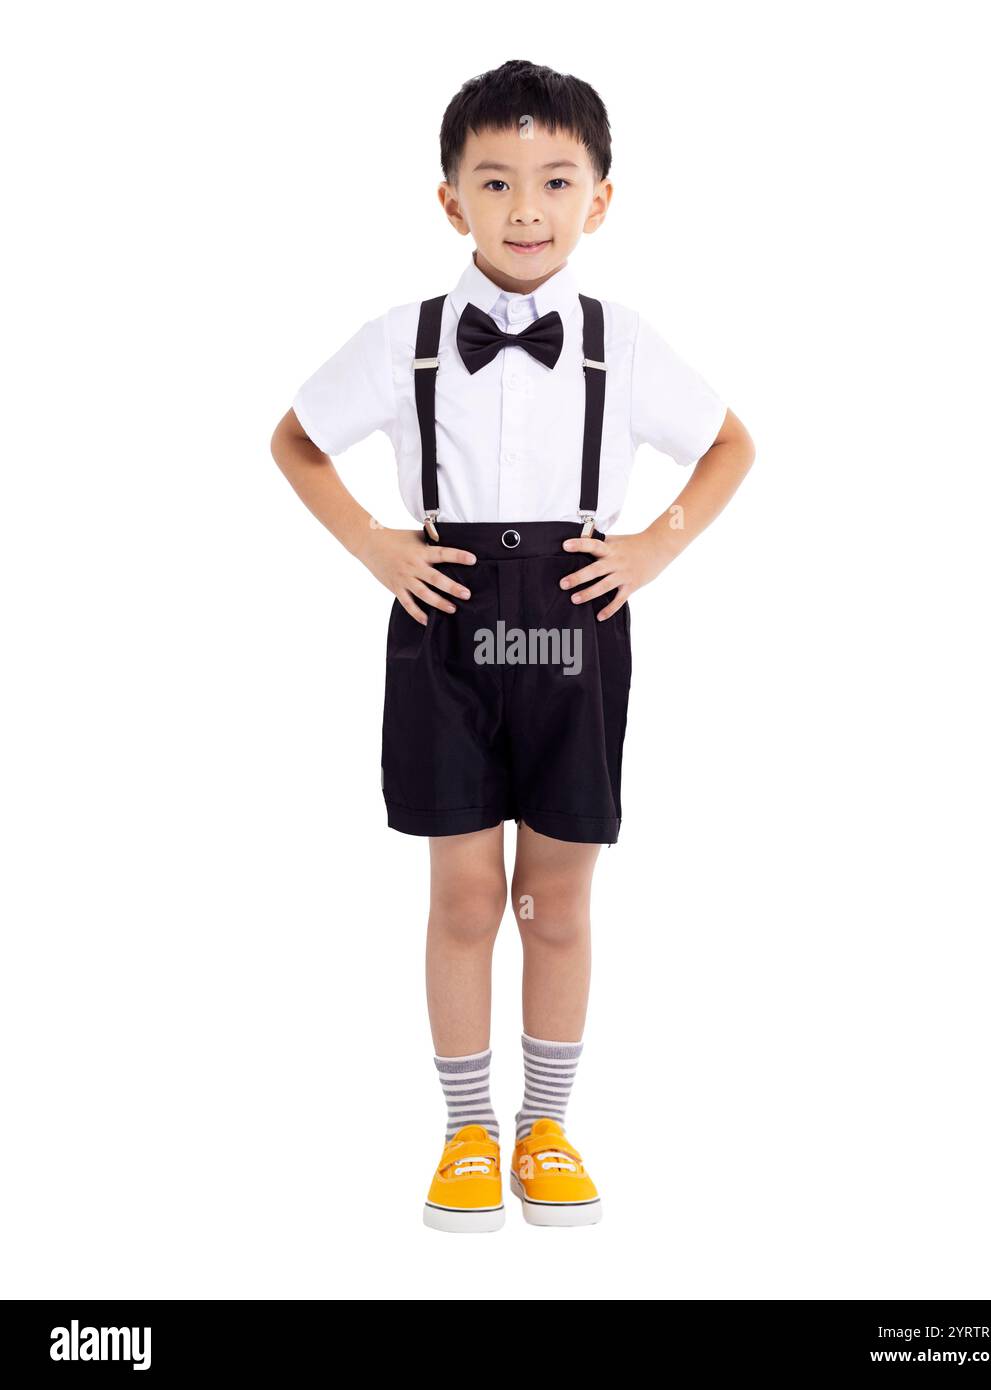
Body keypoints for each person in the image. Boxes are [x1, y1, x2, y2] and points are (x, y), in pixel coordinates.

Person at [270, 58, 756, 1232]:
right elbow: (293, 441)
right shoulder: (406, 339)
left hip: (577, 632)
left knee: (560, 895)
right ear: (451, 202)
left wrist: (648, 548)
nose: (525, 207)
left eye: (553, 179)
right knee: (463, 896)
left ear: (598, 198)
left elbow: (730, 445)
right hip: (443, 626)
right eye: (494, 181)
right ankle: (466, 1132)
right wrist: (378, 547)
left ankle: (546, 1125)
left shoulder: (619, 341)